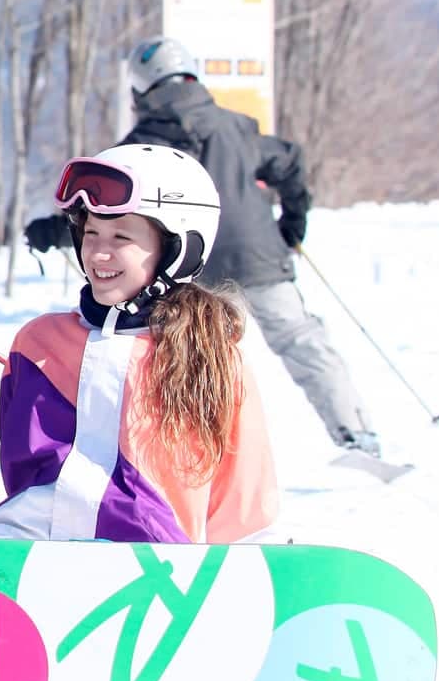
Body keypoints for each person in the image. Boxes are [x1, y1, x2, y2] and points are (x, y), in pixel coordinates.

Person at [0, 145, 277, 681]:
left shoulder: (209, 354)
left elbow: (243, 492)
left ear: (176, 245)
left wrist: (228, 581)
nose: (99, 252)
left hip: (148, 568)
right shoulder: (39, 341)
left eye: (122, 236)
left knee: (125, 609)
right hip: (35, 553)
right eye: (89, 234)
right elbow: (20, 467)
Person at [24, 36, 383, 458]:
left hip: (187, 266)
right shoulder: (235, 126)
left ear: (140, 91)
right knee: (299, 338)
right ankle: (356, 432)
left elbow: (107, 209)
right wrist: (292, 223)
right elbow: (290, 161)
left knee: (186, 352)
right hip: (258, 254)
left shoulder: (140, 148)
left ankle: (180, 449)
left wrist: (51, 230)